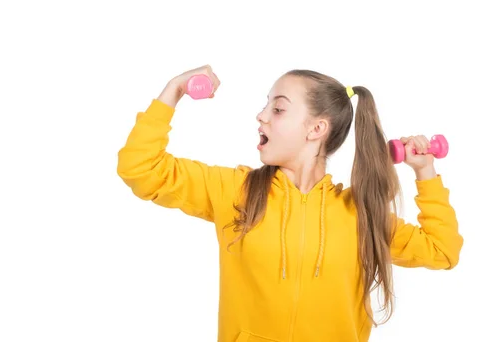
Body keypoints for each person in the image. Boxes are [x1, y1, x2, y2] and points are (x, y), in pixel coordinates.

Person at [116, 65, 463, 342]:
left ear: (316, 129)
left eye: (278, 108)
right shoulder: (235, 191)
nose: (261, 116)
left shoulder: (358, 214)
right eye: (266, 104)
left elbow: (442, 251)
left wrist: (426, 172)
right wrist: (173, 91)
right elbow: (141, 168)